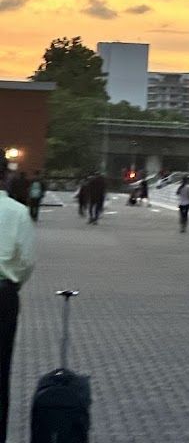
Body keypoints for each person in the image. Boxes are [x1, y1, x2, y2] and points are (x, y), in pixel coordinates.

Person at [0, 154, 36, 443]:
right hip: (3, 296)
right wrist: (12, 285)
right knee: (1, 371)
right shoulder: (18, 212)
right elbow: (26, 262)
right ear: (5, 176)